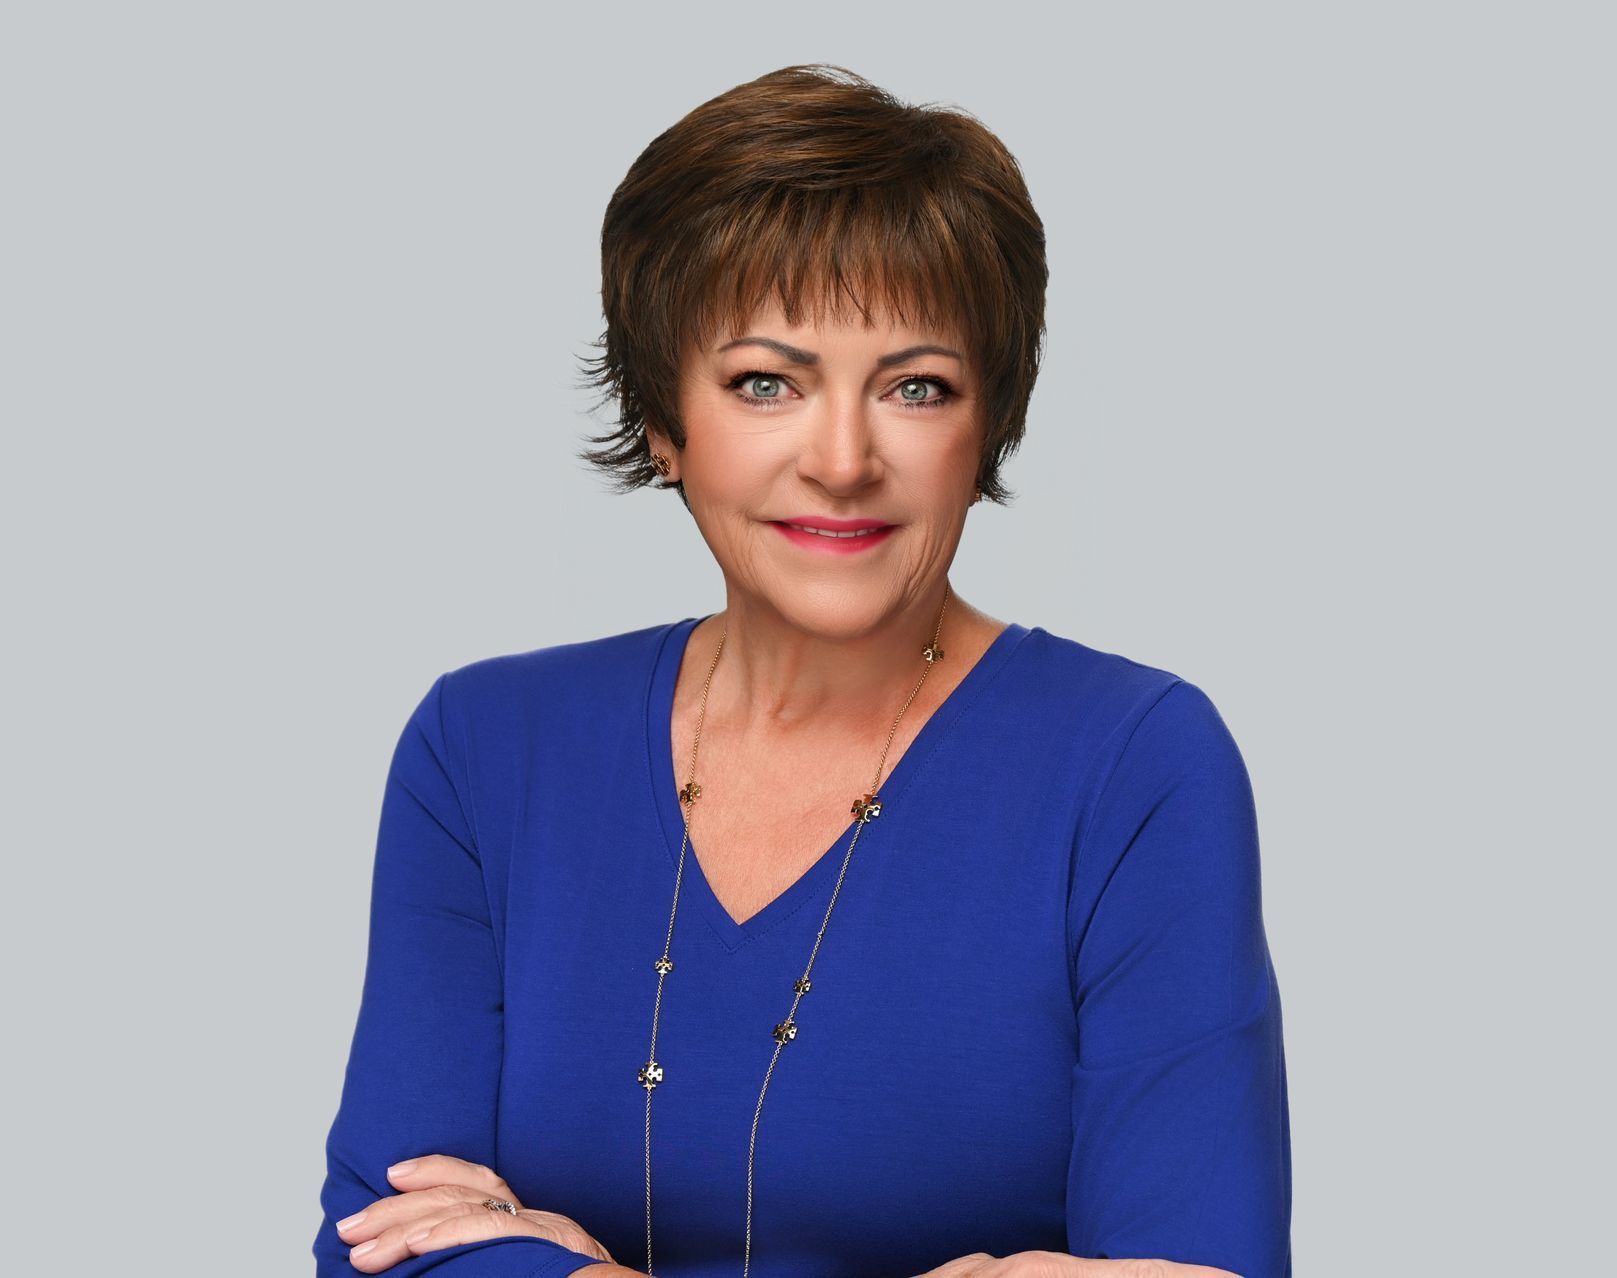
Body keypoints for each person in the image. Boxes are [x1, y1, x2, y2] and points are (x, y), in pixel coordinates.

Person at [311, 64, 1292, 1278]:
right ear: (666, 422)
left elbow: (1203, 1269)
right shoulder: (485, 749)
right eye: (765, 382)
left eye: (915, 387)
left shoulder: (1137, 761)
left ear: (984, 429)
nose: (842, 460)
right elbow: (386, 1243)